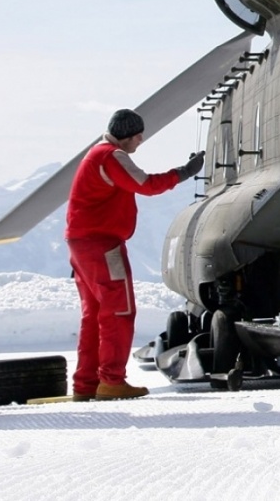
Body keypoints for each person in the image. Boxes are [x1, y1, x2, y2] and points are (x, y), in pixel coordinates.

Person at [65, 109, 204, 401]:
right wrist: (184, 172)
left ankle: (86, 384)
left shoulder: (94, 155)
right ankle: (112, 381)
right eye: (139, 135)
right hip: (103, 245)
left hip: (81, 246)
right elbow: (145, 184)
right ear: (129, 134)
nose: (141, 141)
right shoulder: (111, 155)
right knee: (118, 311)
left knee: (94, 316)